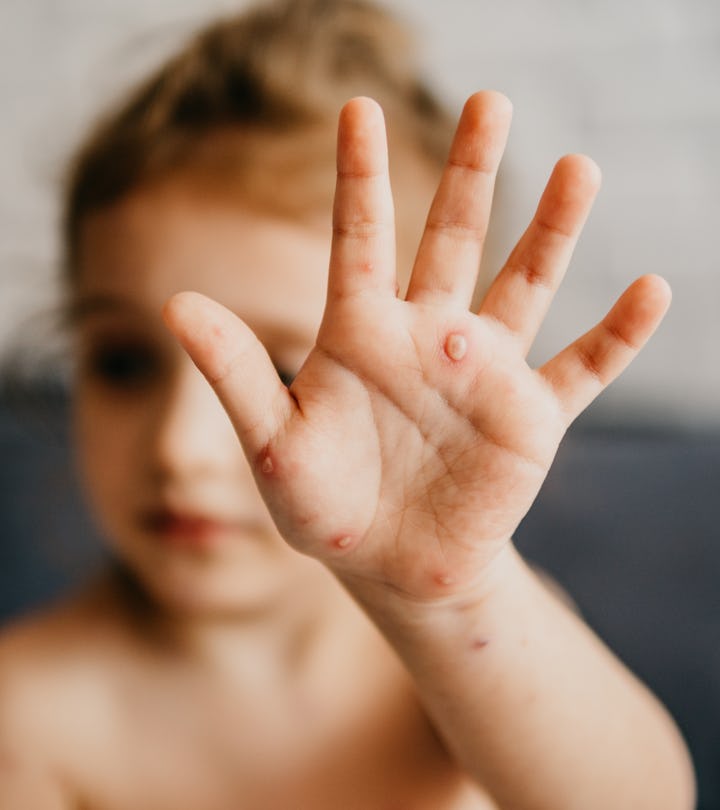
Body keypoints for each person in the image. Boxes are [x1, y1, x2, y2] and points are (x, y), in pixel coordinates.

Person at [0, 0, 695, 807]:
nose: (177, 449)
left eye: (288, 373)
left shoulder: (477, 641)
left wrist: (450, 598)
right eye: (121, 362)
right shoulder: (26, 713)